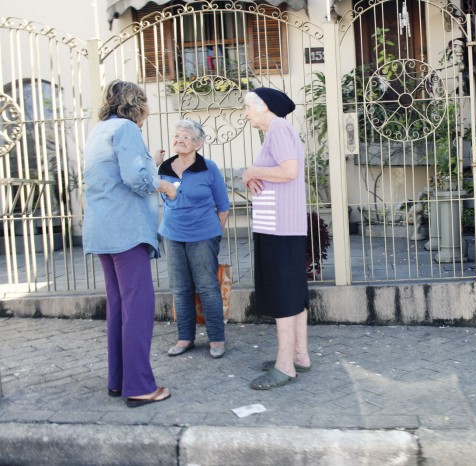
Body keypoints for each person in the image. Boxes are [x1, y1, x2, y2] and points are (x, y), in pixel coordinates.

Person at [83, 80, 177, 408]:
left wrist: (148, 163)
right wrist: (165, 186)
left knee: (118, 306)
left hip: (102, 228)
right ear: (136, 104)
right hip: (126, 229)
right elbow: (137, 180)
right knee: (137, 307)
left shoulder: (98, 131)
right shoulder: (126, 129)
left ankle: (119, 380)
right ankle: (139, 386)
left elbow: (116, 174)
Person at [243, 87, 312, 390]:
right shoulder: (279, 131)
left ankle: (285, 366)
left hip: (280, 227)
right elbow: (280, 173)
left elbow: (289, 170)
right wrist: (258, 175)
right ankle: (299, 355)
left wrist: (251, 171)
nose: (245, 114)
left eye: (247, 107)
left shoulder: (278, 129)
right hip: (283, 225)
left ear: (263, 107)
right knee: (293, 291)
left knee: (284, 294)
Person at [158, 119, 230, 359]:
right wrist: (153, 164)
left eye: (185, 137)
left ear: (198, 143)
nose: (179, 139)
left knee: (208, 287)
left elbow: (223, 206)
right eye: (176, 135)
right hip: (172, 234)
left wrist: (215, 234)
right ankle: (185, 338)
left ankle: (217, 339)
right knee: (180, 288)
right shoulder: (164, 169)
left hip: (203, 236)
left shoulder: (208, 168)